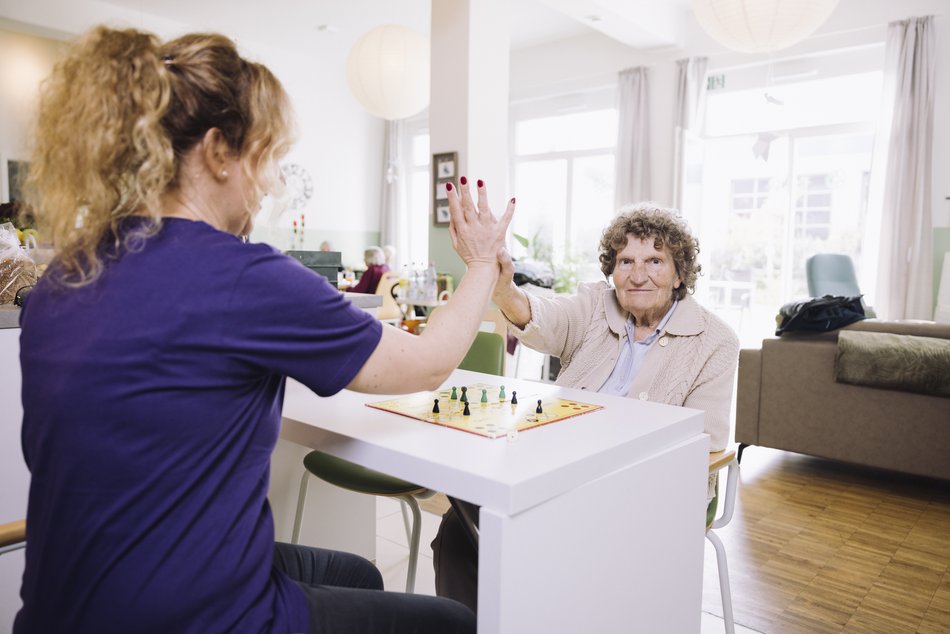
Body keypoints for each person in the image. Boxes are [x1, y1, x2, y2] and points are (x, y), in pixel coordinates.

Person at [16, 26, 514, 634]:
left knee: (357, 576)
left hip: (63, 605)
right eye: (267, 158)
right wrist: (484, 262)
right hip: (192, 617)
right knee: (452, 623)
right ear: (219, 151)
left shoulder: (67, 271)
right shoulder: (243, 276)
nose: (273, 183)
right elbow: (429, 362)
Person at [431, 203, 739, 612]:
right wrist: (504, 288)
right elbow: (544, 317)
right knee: (459, 529)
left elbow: (708, 441)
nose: (638, 273)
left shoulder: (715, 341)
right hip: (559, 470)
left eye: (655, 261)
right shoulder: (596, 305)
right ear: (612, 270)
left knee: (521, 533)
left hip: (646, 490)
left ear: (680, 273)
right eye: (626, 260)